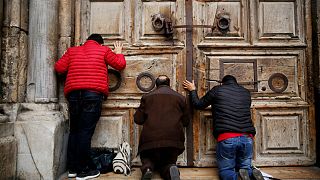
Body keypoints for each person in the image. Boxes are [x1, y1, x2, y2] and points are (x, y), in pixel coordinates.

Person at [54, 34, 126, 180]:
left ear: (86, 41)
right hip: (92, 95)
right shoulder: (103, 50)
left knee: (75, 131)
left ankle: (73, 169)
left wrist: (71, 56)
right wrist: (118, 52)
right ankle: (83, 170)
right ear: (100, 44)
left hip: (74, 96)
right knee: (85, 132)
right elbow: (120, 65)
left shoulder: (72, 51)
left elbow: (59, 68)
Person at [183, 75, 264, 180]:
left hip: (227, 137)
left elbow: (198, 105)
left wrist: (193, 90)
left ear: (222, 83)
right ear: (236, 82)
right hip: (247, 137)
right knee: (245, 167)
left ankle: (239, 178)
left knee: (226, 171)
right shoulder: (246, 92)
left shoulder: (217, 90)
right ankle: (252, 175)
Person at [134, 75, 190, 180]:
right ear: (169, 84)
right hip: (173, 141)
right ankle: (170, 169)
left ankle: (147, 168)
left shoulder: (147, 97)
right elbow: (186, 122)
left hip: (150, 140)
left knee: (147, 157)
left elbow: (138, 119)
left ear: (156, 84)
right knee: (168, 161)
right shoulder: (181, 98)